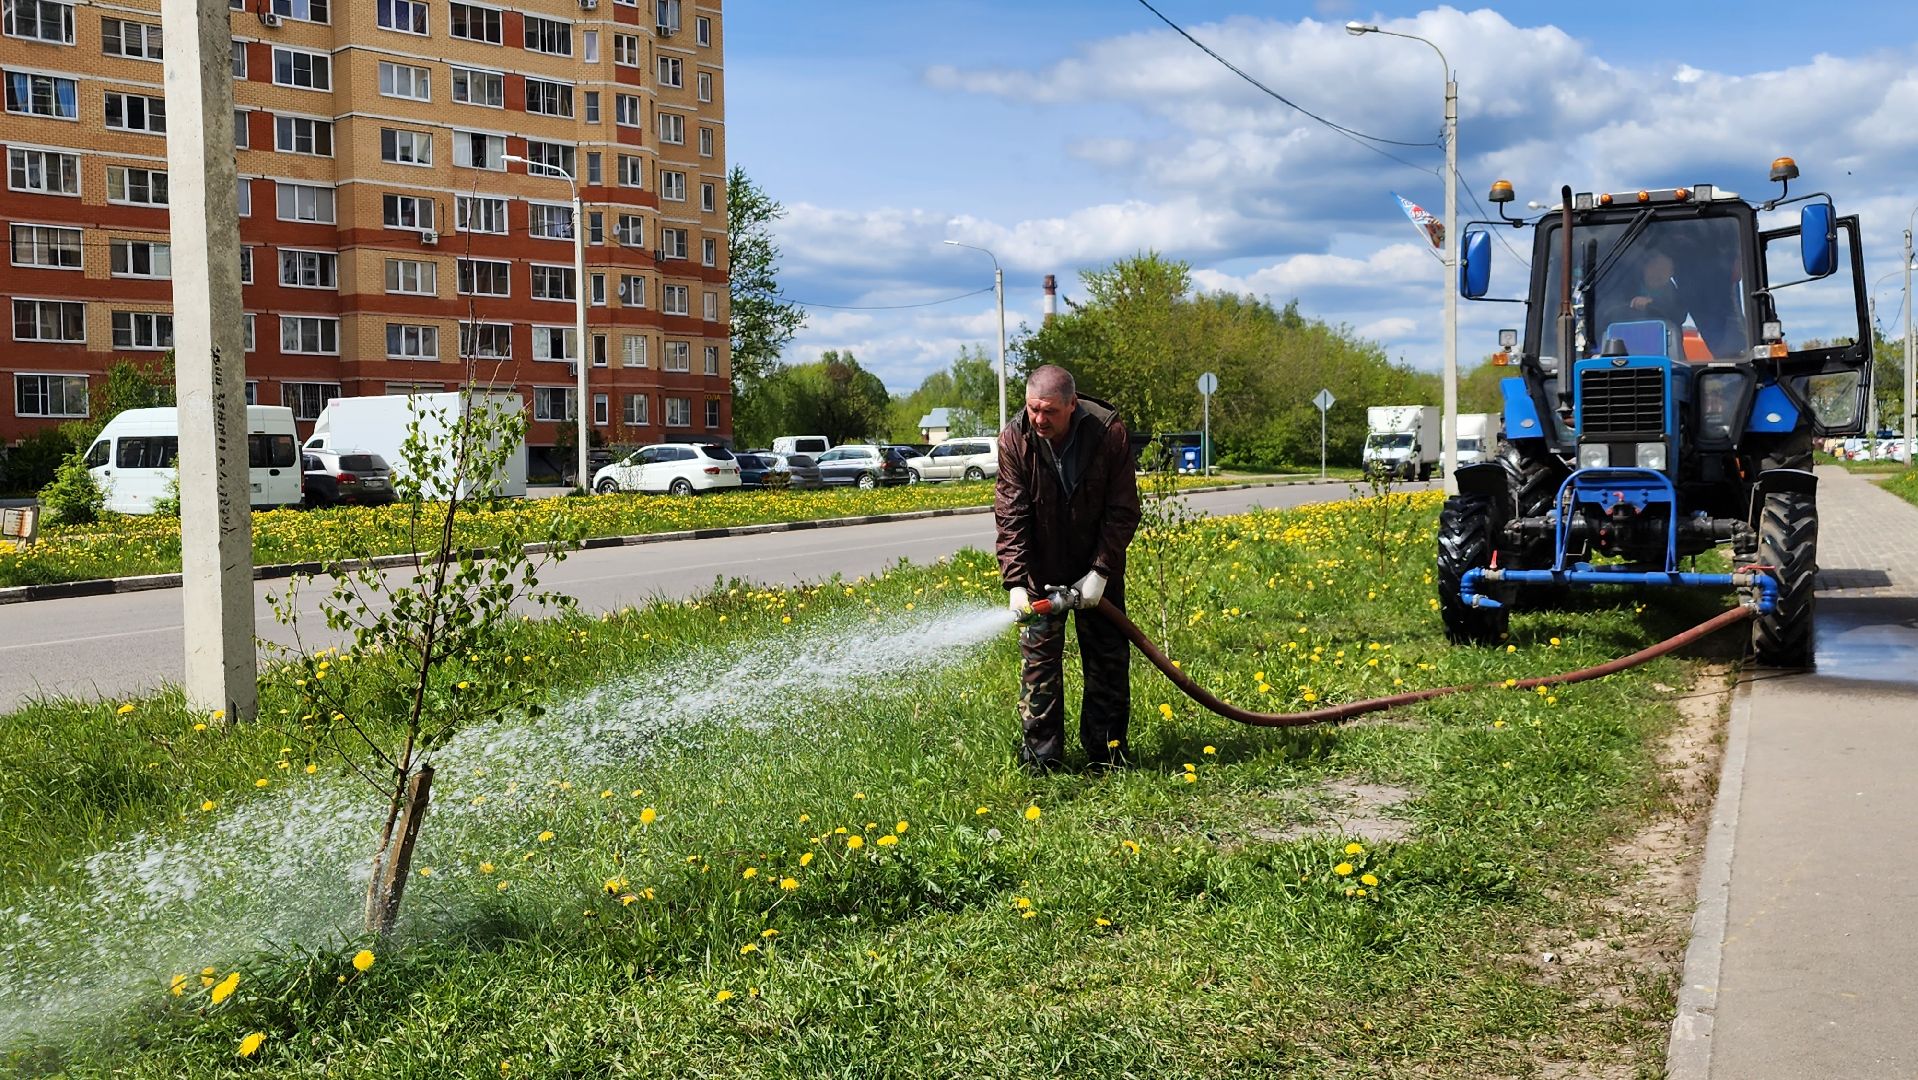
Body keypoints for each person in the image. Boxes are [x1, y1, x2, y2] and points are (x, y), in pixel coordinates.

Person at [994, 365, 1141, 772]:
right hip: (1039, 570)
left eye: (1049, 412)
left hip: (1097, 569)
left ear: (1072, 405)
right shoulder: (1015, 439)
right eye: (1033, 409)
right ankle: (1042, 762)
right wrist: (1016, 581)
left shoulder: (1107, 431)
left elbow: (1123, 510)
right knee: (1038, 666)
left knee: (1107, 661)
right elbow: (1011, 514)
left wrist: (1101, 571)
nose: (1039, 419)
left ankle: (1107, 755)